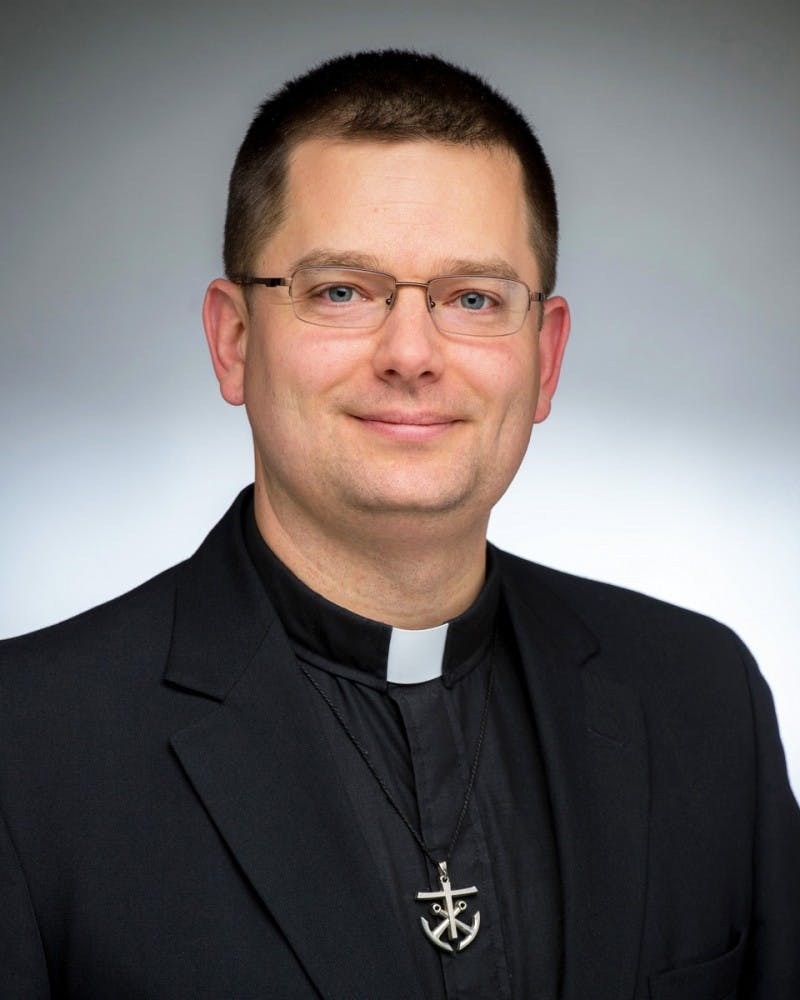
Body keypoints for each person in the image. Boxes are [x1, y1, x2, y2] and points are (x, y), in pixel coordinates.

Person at [1, 50, 797, 1000]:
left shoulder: (701, 701)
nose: (412, 354)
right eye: (341, 290)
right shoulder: (26, 751)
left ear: (543, 362)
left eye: (473, 299)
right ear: (234, 341)